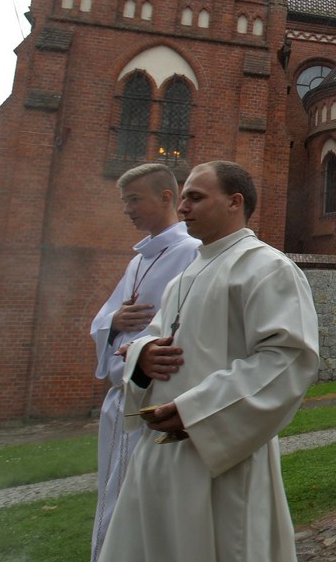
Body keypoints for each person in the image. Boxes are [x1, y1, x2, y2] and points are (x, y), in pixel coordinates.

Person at [99, 161, 319, 562]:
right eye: (182, 197)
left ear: (235, 202)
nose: (182, 207)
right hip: (158, 453)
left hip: (221, 456)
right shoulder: (186, 276)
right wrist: (142, 356)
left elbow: (288, 360)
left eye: (195, 197)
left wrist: (197, 411)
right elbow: (155, 336)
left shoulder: (266, 267)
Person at [89, 163, 199, 561]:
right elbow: (108, 317)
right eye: (125, 201)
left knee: (142, 501)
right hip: (121, 400)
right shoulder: (138, 261)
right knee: (112, 492)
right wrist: (114, 321)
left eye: (134, 200)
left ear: (166, 197)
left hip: (154, 398)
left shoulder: (189, 252)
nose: (127, 209)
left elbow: (188, 326)